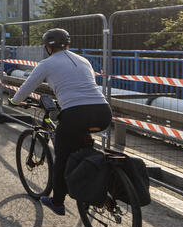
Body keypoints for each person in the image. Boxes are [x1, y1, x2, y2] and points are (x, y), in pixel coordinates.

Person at [9, 28, 111, 215]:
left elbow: (27, 86)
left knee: (62, 157)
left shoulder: (46, 64)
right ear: (68, 45)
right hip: (103, 112)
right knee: (80, 143)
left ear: (48, 48)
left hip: (76, 114)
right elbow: (83, 85)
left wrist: (14, 101)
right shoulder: (84, 60)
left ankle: (57, 202)